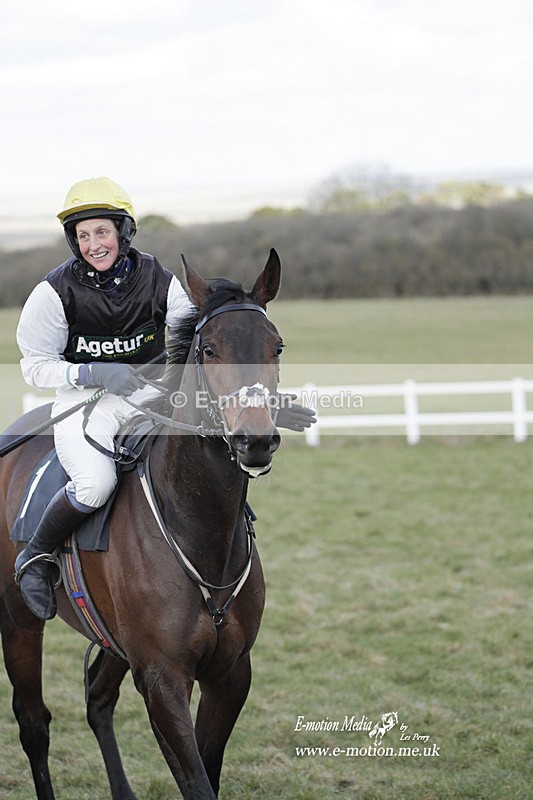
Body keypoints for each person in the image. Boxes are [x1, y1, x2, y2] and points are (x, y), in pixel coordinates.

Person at [14, 176, 315, 621]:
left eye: (102, 232)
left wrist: (259, 405)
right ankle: (34, 560)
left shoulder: (159, 277)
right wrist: (91, 371)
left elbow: (197, 346)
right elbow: (34, 365)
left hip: (154, 395)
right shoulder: (51, 293)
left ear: (122, 231)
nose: (94, 244)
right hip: (87, 403)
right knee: (95, 483)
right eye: (83, 235)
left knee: (203, 450)